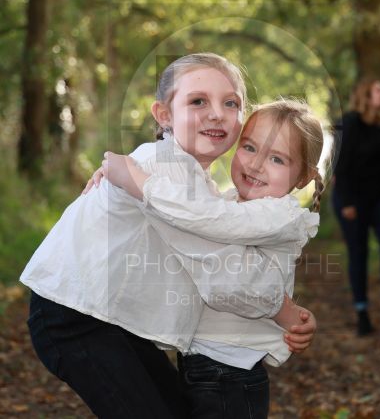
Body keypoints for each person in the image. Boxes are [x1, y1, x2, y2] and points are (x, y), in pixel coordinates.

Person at [20, 53, 318, 418]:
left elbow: (217, 234)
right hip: (74, 315)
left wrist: (125, 169)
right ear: (164, 115)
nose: (216, 113)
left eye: (230, 103)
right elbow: (223, 269)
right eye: (198, 101)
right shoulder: (165, 171)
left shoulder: (188, 181)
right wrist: (285, 312)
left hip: (108, 316)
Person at [100, 99, 326, 418]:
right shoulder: (230, 204)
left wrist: (136, 180)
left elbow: (203, 225)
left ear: (303, 178)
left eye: (277, 158)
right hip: (206, 364)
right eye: (249, 147)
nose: (256, 164)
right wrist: (116, 177)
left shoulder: (279, 215)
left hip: (230, 374)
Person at [332, 78, 380, 336]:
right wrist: (347, 202)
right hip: (352, 199)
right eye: (379, 89)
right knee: (358, 253)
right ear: (366, 95)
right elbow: (340, 165)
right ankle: (362, 313)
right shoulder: (349, 123)